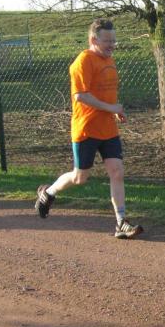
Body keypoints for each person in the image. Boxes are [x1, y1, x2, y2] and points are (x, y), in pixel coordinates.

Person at [35, 18, 143, 240]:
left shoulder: (109, 60)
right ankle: (49, 192)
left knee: (117, 171)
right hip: (86, 128)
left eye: (113, 40)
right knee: (80, 177)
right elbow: (81, 96)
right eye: (107, 41)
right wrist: (111, 107)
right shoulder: (83, 61)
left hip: (108, 129)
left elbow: (105, 92)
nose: (112, 45)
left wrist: (114, 111)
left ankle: (121, 222)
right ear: (94, 39)